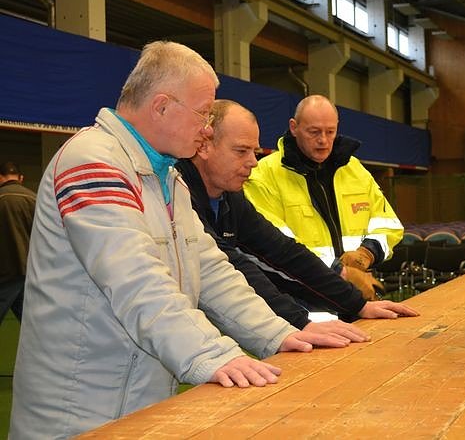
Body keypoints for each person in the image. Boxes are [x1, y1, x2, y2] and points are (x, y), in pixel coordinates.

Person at [10, 41, 345, 439]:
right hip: (78, 414)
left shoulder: (167, 178)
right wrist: (212, 355)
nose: (207, 127)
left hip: (138, 402)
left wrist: (279, 332)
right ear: (161, 106)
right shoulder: (91, 162)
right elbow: (136, 280)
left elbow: (212, 269)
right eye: (203, 113)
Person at [176, 99, 418, 338]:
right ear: (204, 145)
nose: (252, 162)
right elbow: (237, 268)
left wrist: (358, 305)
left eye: (254, 151)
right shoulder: (179, 195)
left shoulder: (231, 198)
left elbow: (284, 253)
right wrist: (299, 322)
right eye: (241, 151)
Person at [244, 95, 403, 301]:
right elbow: (277, 244)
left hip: (358, 296)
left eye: (330, 131)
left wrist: (367, 252)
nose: (323, 140)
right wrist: (339, 270)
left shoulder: (354, 169)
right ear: (294, 127)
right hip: (301, 299)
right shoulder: (264, 175)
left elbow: (388, 223)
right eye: (314, 132)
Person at [0, 161, 36, 324]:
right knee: (32, 324)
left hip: (4, 272)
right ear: (21, 178)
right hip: (28, 271)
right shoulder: (34, 199)